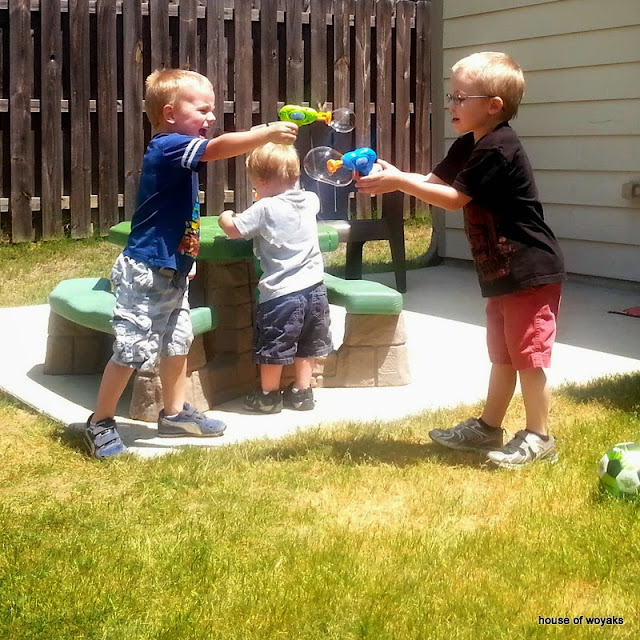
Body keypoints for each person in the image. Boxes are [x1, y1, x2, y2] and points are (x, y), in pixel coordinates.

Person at [356, 52, 566, 468]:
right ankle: (488, 427)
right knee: (503, 354)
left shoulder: (498, 146)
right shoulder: (469, 144)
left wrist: (398, 182)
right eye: (451, 95)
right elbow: (432, 183)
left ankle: (540, 436)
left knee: (528, 355)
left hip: (529, 268)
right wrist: (393, 176)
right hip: (502, 270)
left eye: (460, 97)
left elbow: (453, 199)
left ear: (493, 106)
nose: (450, 104)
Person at [85, 68, 298, 459]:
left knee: (177, 341)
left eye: (211, 110)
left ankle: (173, 414)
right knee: (132, 350)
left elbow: (181, 214)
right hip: (145, 271)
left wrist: (188, 255)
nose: (211, 117)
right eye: (202, 110)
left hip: (173, 269)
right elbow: (217, 149)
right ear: (170, 114)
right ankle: (100, 421)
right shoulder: (167, 147)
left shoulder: (180, 155)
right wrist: (266, 133)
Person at [219, 142, 332, 414]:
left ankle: (268, 396)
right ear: (295, 176)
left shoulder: (265, 208)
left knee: (275, 344)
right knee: (308, 342)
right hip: (315, 289)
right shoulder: (310, 200)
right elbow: (304, 204)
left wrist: (226, 216)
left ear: (260, 181)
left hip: (282, 294)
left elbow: (234, 230)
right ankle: (302, 392)